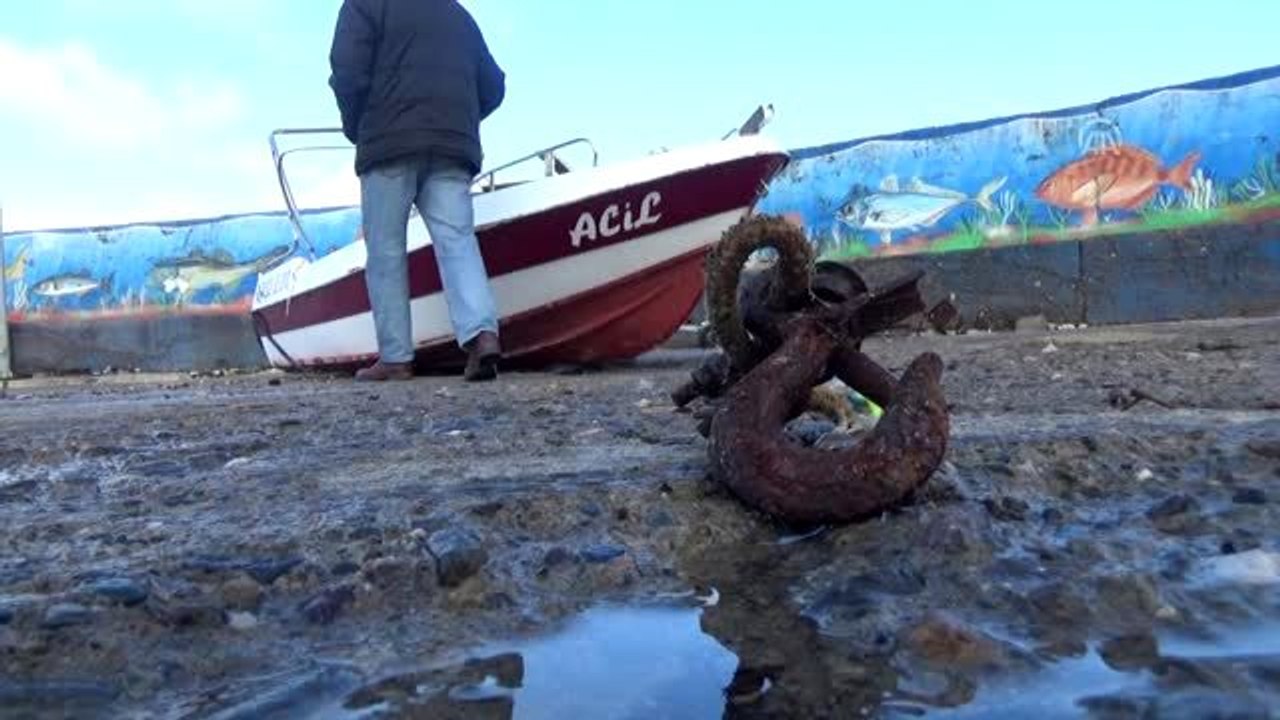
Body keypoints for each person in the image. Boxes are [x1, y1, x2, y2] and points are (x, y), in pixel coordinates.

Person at [328, 0, 506, 382]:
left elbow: (347, 72)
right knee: (457, 241)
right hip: (452, 146)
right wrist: (458, 117)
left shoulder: (364, 5)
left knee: (386, 250)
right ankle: (482, 336)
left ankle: (395, 358)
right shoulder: (457, 14)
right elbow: (493, 86)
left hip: (388, 144)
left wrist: (357, 127)